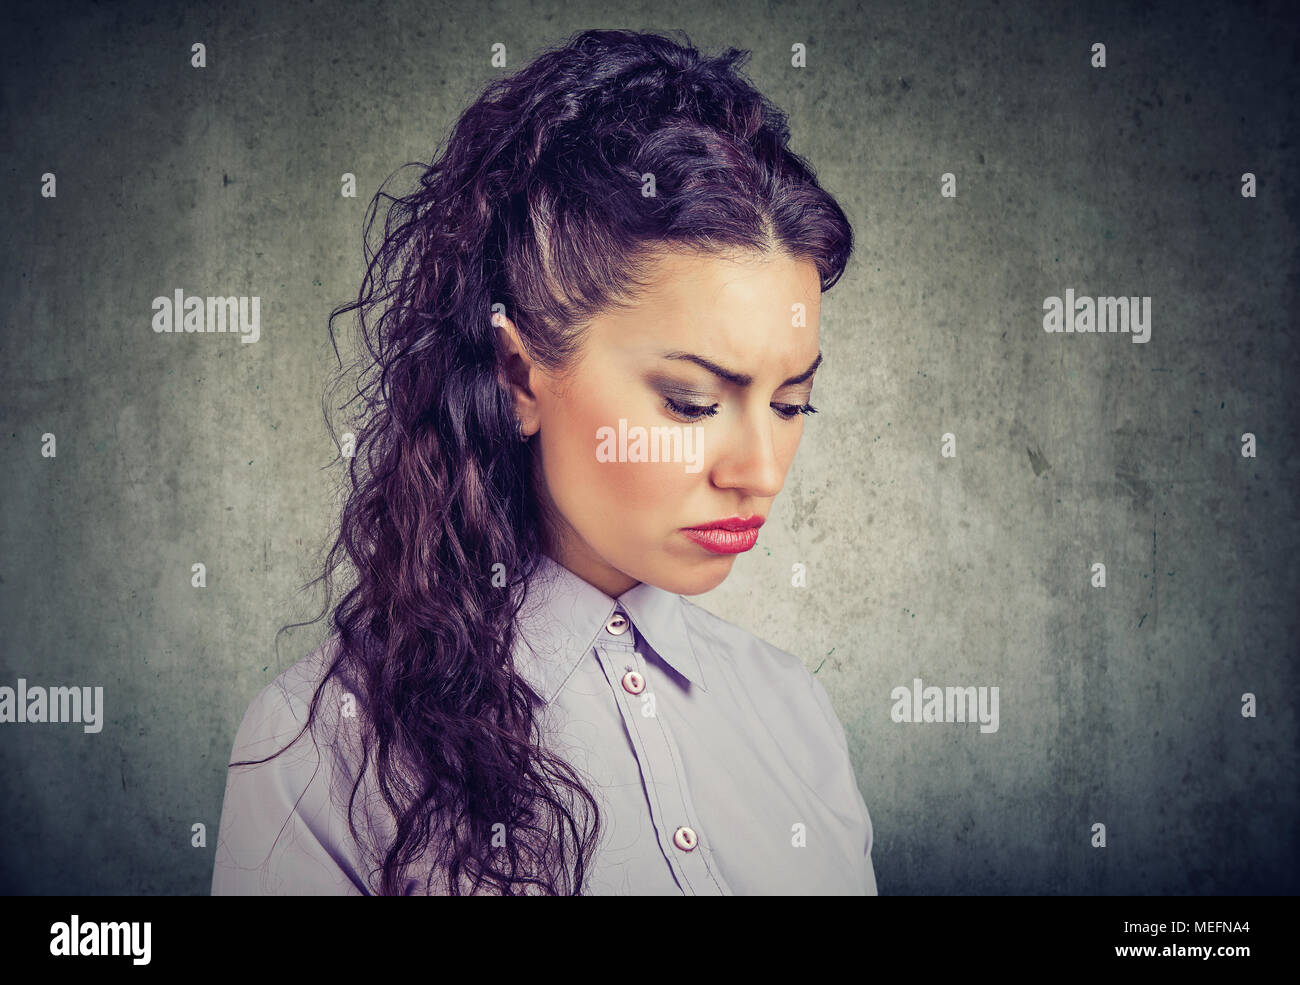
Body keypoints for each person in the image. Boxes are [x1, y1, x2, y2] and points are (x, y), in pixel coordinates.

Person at [211, 28, 878, 896]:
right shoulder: (323, 750)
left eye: (793, 404)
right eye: (689, 402)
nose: (761, 470)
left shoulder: (798, 714)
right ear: (518, 374)